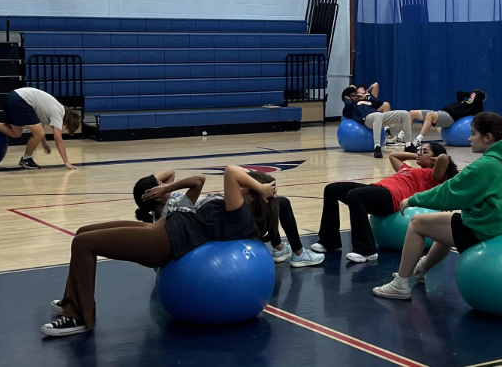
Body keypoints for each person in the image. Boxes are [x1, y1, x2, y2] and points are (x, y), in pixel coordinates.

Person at [42, 166, 278, 337]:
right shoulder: (237, 211)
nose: (244, 186)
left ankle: (78, 317)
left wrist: (261, 187)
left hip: (163, 241)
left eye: (249, 187)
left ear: (254, 198)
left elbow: (231, 172)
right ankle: (73, 300)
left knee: (83, 244)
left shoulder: (240, 216)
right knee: (83, 232)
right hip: (161, 228)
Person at [372, 112, 502, 299]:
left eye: (473, 134)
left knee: (417, 223)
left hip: (485, 229)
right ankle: (421, 270)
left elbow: (448, 193)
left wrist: (412, 200)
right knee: (447, 224)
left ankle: (400, 284)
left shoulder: (485, 166)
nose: (469, 138)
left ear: (488, 137)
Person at [133, 170, 324, 267]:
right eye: (158, 187)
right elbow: (199, 179)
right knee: (278, 202)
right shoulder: (174, 206)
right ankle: (298, 254)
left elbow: (170, 172)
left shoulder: (160, 207)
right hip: (221, 216)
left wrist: (151, 187)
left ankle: (280, 248)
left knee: (269, 195)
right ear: (155, 197)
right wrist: (162, 188)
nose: (164, 184)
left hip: (216, 210)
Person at [314, 143, 458, 263]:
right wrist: (417, 155)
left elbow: (443, 159)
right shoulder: (408, 169)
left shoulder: (433, 177)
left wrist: (434, 158)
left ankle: (366, 250)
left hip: (392, 198)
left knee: (354, 196)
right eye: (419, 150)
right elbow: (393, 155)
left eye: (424, 151)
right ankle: (330, 241)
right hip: (378, 189)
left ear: (433, 159)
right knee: (331, 189)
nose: (419, 153)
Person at [0, 87, 82, 170]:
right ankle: (26, 159)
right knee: (39, 133)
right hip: (21, 100)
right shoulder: (59, 112)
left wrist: (44, 143)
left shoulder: (55, 108)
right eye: (65, 125)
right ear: (66, 121)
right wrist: (66, 162)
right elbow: (58, 139)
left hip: (12, 97)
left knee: (16, 133)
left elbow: (39, 126)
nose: (62, 126)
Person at [342, 87, 419, 158]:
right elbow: (346, 111)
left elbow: (380, 103)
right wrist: (347, 100)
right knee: (378, 115)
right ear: (348, 98)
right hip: (368, 120)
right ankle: (377, 146)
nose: (356, 97)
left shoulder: (365, 102)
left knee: (404, 114)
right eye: (353, 96)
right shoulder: (351, 107)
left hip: (378, 118)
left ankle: (408, 145)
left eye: (356, 95)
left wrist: (367, 97)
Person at [412, 90, 486, 144]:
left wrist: (477, 96)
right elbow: (459, 93)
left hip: (449, 117)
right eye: (472, 94)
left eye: (474, 95)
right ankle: (403, 137)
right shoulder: (463, 102)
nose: (472, 95)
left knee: (430, 115)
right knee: (412, 113)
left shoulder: (473, 107)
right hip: (440, 112)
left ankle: (418, 140)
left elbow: (481, 96)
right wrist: (470, 94)